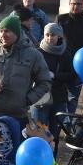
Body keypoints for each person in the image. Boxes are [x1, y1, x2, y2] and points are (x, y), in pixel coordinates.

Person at [0, 15, 52, 149]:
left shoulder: (33, 55)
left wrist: (26, 99)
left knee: (13, 156)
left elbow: (45, 82)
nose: (3, 34)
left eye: (7, 31)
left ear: (17, 33)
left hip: (17, 116)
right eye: (1, 31)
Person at [30, 23, 75, 152]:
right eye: (47, 35)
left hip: (58, 98)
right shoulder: (37, 52)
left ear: (59, 36)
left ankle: (52, 163)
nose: (50, 38)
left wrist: (55, 75)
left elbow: (71, 75)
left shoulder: (65, 54)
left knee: (54, 134)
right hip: (40, 97)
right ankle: (36, 160)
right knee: (39, 132)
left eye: (53, 35)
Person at [56, 0, 83, 113]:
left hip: (79, 67)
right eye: (73, 3)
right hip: (61, 65)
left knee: (72, 99)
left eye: (79, 4)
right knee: (58, 98)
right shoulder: (60, 19)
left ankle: (68, 126)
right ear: (69, 4)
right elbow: (52, 40)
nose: (76, 6)